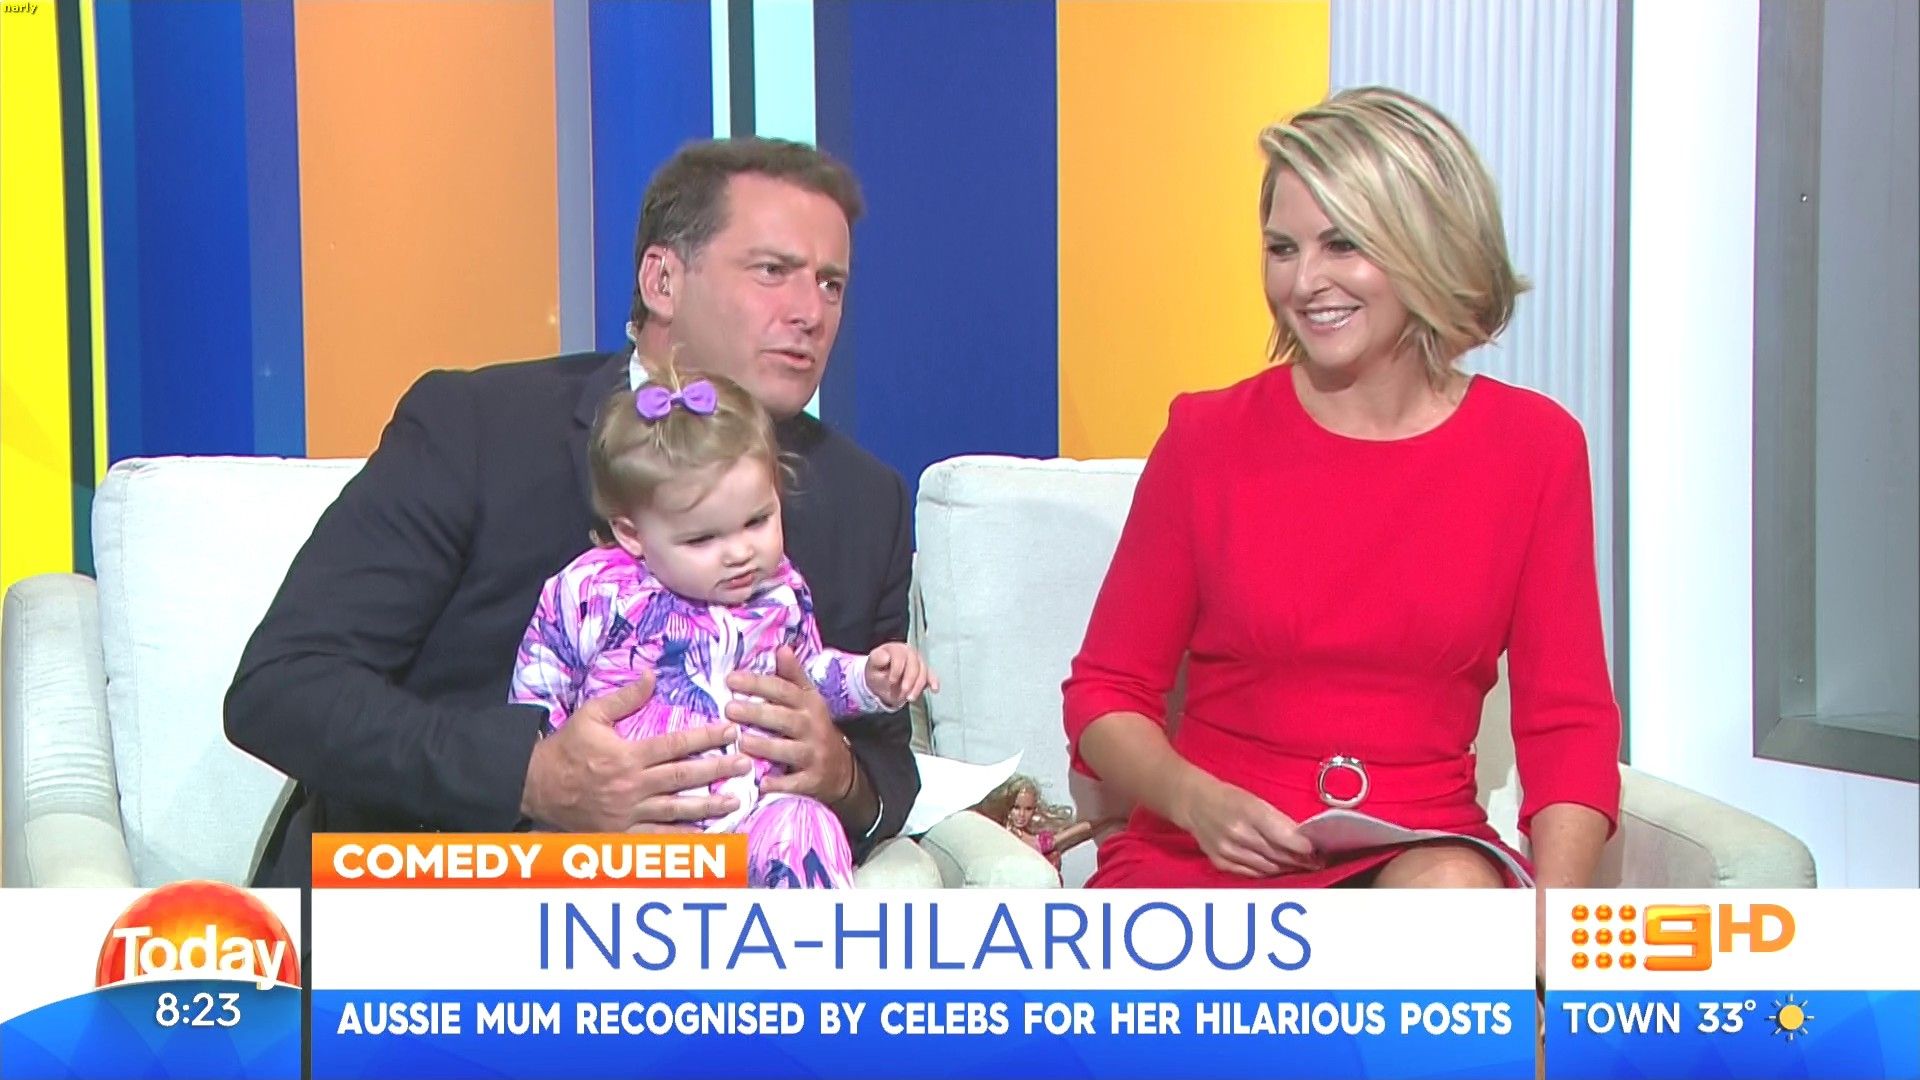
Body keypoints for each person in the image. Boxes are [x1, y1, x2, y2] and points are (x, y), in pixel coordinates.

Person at [225, 138, 926, 887]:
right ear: (662, 280)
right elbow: (284, 687)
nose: (811, 312)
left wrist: (838, 772)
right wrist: (533, 776)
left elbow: (888, 771)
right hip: (443, 897)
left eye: (830, 284)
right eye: (772, 271)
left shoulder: (864, 500)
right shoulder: (477, 428)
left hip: (716, 923)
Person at [1060, 86, 1620, 893]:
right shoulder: (1207, 438)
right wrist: (1195, 800)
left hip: (1419, 852)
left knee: (1453, 897)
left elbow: (1567, 724)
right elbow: (1105, 694)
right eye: (1282, 248)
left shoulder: (1536, 448)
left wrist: (1549, 934)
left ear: (1426, 245)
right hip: (1212, 852)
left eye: (1343, 245)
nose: (1304, 282)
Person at [511, 360, 935, 887]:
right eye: (702, 539)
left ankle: (813, 940)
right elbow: (536, 698)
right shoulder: (588, 590)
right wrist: (556, 786)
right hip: (632, 829)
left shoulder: (781, 590)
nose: (739, 553)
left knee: (807, 823)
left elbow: (808, 677)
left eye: (758, 520)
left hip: (752, 818)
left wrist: (870, 679)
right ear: (632, 534)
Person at [973, 776, 1107, 872]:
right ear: (1007, 807)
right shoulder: (999, 832)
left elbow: (1079, 831)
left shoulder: (1039, 839)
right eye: (1016, 807)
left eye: (1028, 809)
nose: (1021, 814)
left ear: (1034, 810)